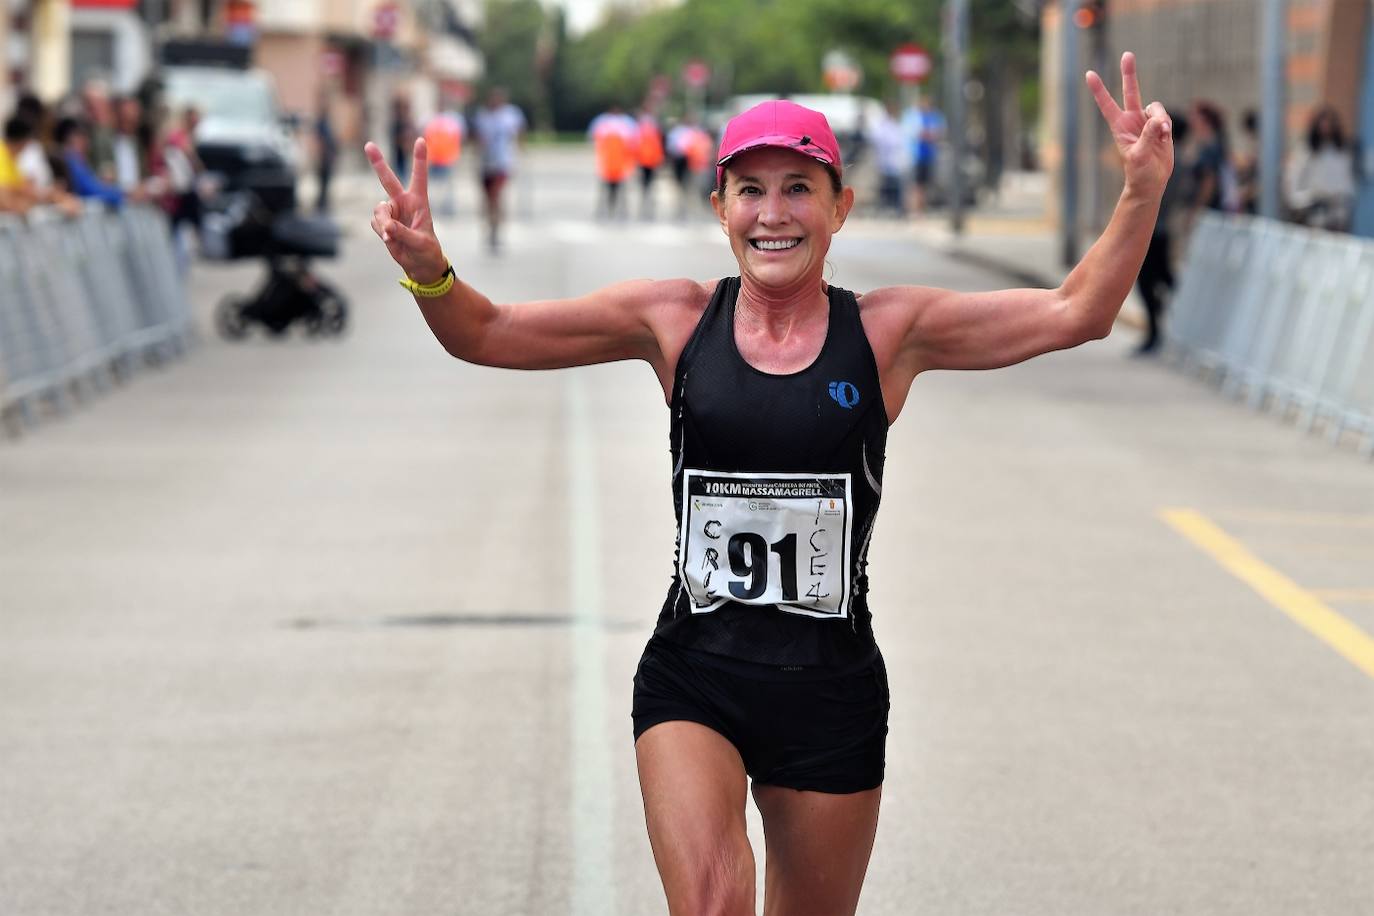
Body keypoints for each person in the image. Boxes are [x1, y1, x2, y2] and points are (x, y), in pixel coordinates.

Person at [363, 51, 1172, 915]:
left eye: (798, 188)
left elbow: (1075, 312)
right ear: (719, 209)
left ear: (839, 209)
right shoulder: (673, 319)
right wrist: (428, 270)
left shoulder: (890, 332)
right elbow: (486, 333)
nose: (772, 213)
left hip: (830, 689)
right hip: (695, 675)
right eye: (750, 190)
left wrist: (1142, 189)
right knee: (713, 903)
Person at [1134, 113, 1191, 355]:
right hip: (1158, 229)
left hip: (1155, 231)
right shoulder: (1175, 161)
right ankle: (1158, 329)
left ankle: (1158, 330)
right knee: (1159, 279)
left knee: (1150, 281)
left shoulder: (1168, 162)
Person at [1285, 105, 1357, 232]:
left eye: (1330, 124)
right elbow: (1293, 185)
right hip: (1313, 216)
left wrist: (1342, 201)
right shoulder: (1306, 151)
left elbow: (1348, 183)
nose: (1326, 128)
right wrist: (1310, 198)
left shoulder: (1341, 152)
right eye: (1323, 124)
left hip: (1337, 216)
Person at [471, 87, 526, 253]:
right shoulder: (483, 116)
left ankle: (496, 228)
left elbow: (519, 133)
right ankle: (491, 224)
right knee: (488, 198)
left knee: (496, 195)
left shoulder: (511, 115)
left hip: (503, 163)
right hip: (486, 163)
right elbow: (477, 139)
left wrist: (520, 151)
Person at [587, 103, 638, 220]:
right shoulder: (625, 124)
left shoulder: (603, 123)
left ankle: (607, 211)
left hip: (611, 163)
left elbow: (593, 138)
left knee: (609, 189)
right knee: (616, 189)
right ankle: (618, 211)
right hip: (615, 163)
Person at [902, 94, 945, 212]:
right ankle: (914, 210)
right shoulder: (914, 116)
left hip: (929, 156)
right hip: (916, 156)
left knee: (924, 186)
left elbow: (939, 132)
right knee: (915, 185)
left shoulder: (934, 116)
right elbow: (913, 133)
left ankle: (921, 209)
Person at [867, 99, 908, 217]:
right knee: (886, 186)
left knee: (895, 187)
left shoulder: (895, 124)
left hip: (895, 162)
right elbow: (878, 139)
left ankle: (896, 209)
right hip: (885, 161)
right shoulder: (882, 124)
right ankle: (885, 208)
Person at [635, 103, 666, 220]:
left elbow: (658, 144)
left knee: (648, 185)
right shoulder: (644, 127)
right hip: (644, 160)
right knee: (645, 185)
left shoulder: (651, 127)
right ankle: (645, 206)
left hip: (650, 160)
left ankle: (647, 206)